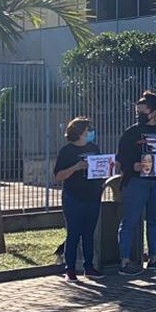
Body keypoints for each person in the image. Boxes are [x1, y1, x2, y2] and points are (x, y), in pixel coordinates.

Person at [116, 91, 156, 275]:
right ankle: (125, 260)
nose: (139, 115)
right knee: (130, 221)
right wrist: (132, 166)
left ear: (154, 112)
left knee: (155, 220)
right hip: (136, 182)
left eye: (143, 112)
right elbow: (120, 158)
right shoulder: (131, 133)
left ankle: (154, 257)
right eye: (137, 112)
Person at [53, 116, 105, 282]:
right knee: (73, 233)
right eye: (88, 130)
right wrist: (76, 167)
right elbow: (58, 176)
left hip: (93, 196)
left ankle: (89, 267)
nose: (91, 133)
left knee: (89, 233)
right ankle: (70, 269)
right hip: (74, 197)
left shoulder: (94, 148)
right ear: (79, 132)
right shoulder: (67, 151)